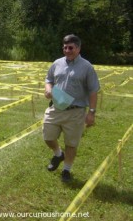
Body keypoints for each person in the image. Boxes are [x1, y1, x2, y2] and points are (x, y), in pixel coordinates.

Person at [43, 34, 100, 182]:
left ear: (78, 48)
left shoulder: (87, 67)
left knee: (71, 143)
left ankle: (66, 170)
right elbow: (48, 79)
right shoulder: (57, 63)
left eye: (71, 47)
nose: (67, 50)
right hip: (56, 108)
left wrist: (91, 113)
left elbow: (93, 91)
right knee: (48, 137)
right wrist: (48, 89)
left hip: (75, 111)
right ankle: (58, 154)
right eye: (65, 47)